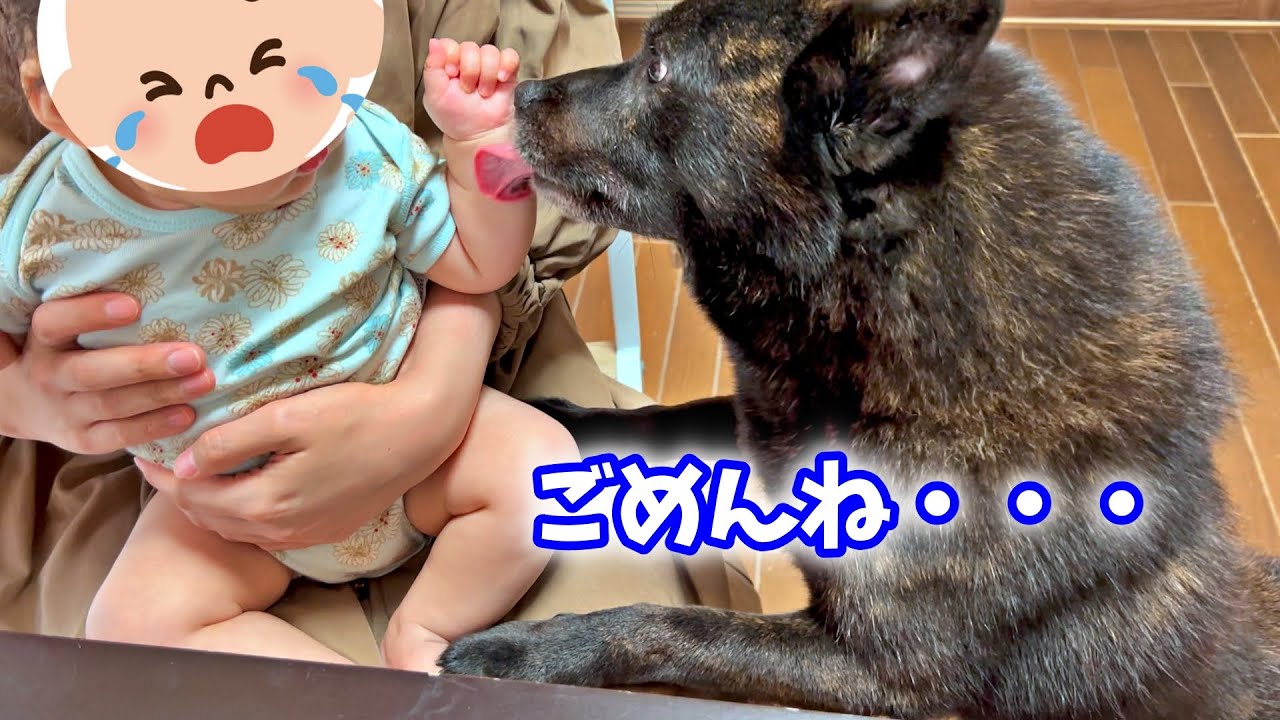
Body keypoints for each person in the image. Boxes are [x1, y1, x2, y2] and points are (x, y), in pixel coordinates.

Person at [0, 0, 759, 673]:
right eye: (182, 84)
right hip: (219, 504)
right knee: (129, 621)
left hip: (424, 443)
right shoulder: (40, 220)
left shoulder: (359, 148)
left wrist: (482, 144)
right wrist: (23, 397)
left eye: (277, 56)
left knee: (542, 474)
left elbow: (478, 261)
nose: (281, 118)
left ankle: (421, 633)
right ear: (60, 102)